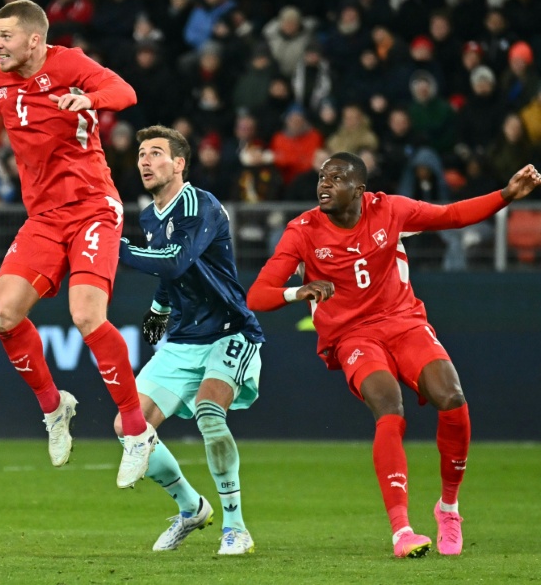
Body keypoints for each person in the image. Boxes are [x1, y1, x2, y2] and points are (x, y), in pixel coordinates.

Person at [246, 152, 541, 558]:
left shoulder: (389, 210)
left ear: (359, 190)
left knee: (452, 398)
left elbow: (452, 215)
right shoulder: (303, 231)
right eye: (322, 177)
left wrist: (506, 194)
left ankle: (448, 509)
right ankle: (402, 531)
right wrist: (299, 291)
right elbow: (257, 295)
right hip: (353, 336)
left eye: (336, 178)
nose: (324, 184)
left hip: (403, 323)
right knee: (389, 405)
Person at [0, 0, 157, 488]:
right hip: (44, 217)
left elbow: (125, 92)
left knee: (86, 315)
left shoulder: (69, 63)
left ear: (33, 40)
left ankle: (136, 431)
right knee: (3, 312)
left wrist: (89, 100)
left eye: (5, 36)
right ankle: (54, 407)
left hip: (92, 206)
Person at [117, 125, 263, 555]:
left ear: (179, 163)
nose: (145, 161)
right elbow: (170, 275)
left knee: (209, 413)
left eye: (155, 153)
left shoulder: (201, 204)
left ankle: (235, 527)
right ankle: (191, 507)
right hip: (184, 337)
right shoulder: (150, 216)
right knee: (129, 426)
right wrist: (159, 309)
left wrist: (115, 248)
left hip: (229, 330)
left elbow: (177, 259)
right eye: (141, 154)